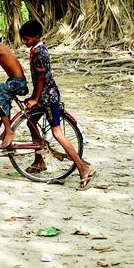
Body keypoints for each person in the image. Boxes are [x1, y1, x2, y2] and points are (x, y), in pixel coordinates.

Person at [19, 19, 96, 189]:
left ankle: (83, 168)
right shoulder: (36, 49)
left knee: (57, 134)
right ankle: (39, 160)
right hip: (43, 97)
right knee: (31, 123)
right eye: (23, 39)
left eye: (27, 39)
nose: (24, 42)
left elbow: (41, 78)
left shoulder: (40, 52)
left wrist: (35, 98)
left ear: (37, 37)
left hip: (48, 98)